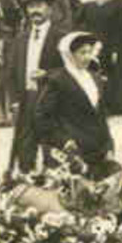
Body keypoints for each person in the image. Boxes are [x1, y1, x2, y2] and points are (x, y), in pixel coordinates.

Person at [34, 32, 116, 178]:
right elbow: (43, 118)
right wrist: (64, 141)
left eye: (90, 52)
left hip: (97, 149)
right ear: (69, 55)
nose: (87, 57)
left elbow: (101, 115)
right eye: (82, 52)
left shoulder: (95, 78)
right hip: (72, 151)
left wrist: (109, 145)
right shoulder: (57, 80)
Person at [4, 0, 67, 175]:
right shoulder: (21, 38)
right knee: (25, 146)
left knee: (52, 148)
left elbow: (70, 70)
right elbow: (11, 72)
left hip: (51, 99)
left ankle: (54, 183)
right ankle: (27, 179)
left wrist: (47, 74)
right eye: (31, 7)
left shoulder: (61, 37)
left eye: (39, 6)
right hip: (26, 99)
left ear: (49, 9)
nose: (35, 11)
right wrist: (14, 100)